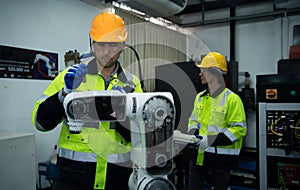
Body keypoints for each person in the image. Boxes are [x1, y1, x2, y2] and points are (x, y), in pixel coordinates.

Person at [32, 11, 143, 190]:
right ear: (92, 42)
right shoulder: (69, 77)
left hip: (116, 176)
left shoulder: (132, 83)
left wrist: (122, 112)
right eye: (100, 45)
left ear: (123, 45)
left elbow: (138, 135)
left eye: (113, 45)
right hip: (73, 177)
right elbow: (41, 123)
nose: (106, 52)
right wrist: (64, 93)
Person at [187, 52, 247, 190]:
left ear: (214, 73)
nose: (200, 74)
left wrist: (210, 140)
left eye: (203, 70)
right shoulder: (199, 98)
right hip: (199, 156)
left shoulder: (232, 99)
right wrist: (192, 136)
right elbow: (193, 120)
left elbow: (238, 130)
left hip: (221, 161)